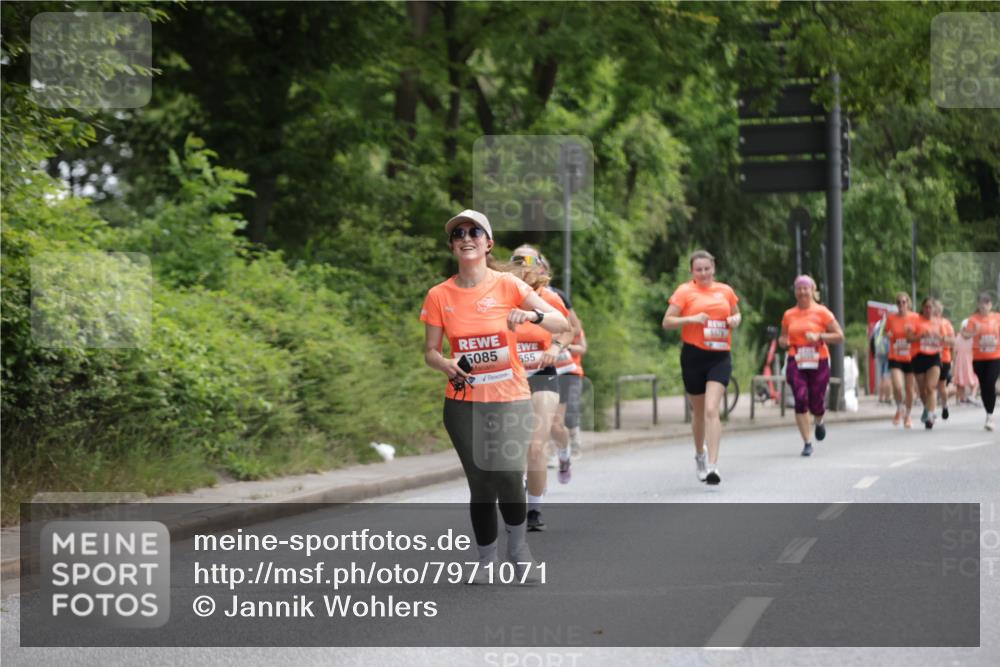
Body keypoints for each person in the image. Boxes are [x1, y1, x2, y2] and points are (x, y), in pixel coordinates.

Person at [420, 210, 569, 582]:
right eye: (458, 234)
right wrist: (445, 363)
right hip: (462, 401)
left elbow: (561, 323)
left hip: (510, 396)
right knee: (481, 482)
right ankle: (486, 560)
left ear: (488, 244)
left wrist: (530, 317)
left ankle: (518, 549)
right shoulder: (439, 295)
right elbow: (430, 352)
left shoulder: (508, 285)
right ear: (452, 246)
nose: (466, 238)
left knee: (506, 473)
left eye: (474, 232)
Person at [498, 255, 573, 532]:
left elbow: (567, 329)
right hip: (510, 378)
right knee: (512, 446)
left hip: (542, 375)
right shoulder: (501, 298)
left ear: (536, 272)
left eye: (526, 268)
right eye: (516, 267)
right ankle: (517, 493)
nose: (521, 273)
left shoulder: (548, 299)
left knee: (535, 445)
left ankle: (534, 509)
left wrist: (554, 347)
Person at [662, 250, 741, 485]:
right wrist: (691, 319)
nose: (704, 273)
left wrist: (735, 321)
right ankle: (700, 455)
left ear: (713, 268)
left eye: (707, 269)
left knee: (711, 409)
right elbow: (667, 322)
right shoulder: (684, 291)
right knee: (698, 413)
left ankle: (713, 466)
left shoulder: (725, 291)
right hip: (693, 356)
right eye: (699, 269)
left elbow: (736, 315)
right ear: (692, 271)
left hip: (719, 356)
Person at [778, 275, 845, 456]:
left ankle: (819, 420)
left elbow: (839, 335)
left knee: (816, 401)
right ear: (795, 292)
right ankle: (807, 442)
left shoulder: (822, 312)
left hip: (818, 360)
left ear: (812, 290)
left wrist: (819, 336)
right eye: (799, 289)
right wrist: (783, 341)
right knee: (800, 398)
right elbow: (783, 337)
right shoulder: (789, 314)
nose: (802, 292)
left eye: (805, 288)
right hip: (796, 359)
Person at [907, 297, 950, 429]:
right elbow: (908, 338)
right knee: (922, 390)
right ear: (922, 308)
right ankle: (928, 409)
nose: (928, 309)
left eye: (930, 307)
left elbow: (946, 339)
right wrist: (920, 336)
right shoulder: (915, 320)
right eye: (926, 307)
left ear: (934, 309)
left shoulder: (939, 322)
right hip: (918, 356)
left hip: (934, 356)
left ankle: (930, 414)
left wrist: (940, 338)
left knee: (931, 387)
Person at [961, 292, 1000, 431]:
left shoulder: (997, 318)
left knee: (990, 382)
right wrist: (973, 332)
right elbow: (964, 335)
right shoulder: (973, 319)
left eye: (987, 302)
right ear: (978, 304)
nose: (984, 305)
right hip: (979, 358)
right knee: (984, 387)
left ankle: (990, 416)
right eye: (982, 302)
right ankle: (988, 413)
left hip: (995, 357)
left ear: (991, 304)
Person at [884, 292, 919, 428]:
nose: (901, 305)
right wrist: (888, 335)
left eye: (903, 302)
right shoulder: (891, 318)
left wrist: (913, 336)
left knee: (910, 389)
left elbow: (919, 334)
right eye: (898, 302)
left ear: (908, 303)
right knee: (898, 386)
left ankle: (908, 416)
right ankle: (899, 408)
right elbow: (887, 332)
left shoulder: (915, 317)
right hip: (895, 356)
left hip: (911, 357)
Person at [933, 300, 955, 420]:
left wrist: (943, 338)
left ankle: (945, 405)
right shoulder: (925, 322)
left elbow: (953, 341)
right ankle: (931, 411)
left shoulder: (946, 323)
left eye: (938, 309)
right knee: (930, 386)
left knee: (941, 386)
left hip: (943, 358)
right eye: (933, 309)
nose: (936, 312)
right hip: (928, 357)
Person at [953, 316, 980, 404]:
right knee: (974, 380)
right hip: (968, 360)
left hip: (961, 361)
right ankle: (970, 396)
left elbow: (955, 351)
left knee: (962, 381)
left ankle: (961, 398)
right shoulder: (972, 337)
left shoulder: (958, 336)